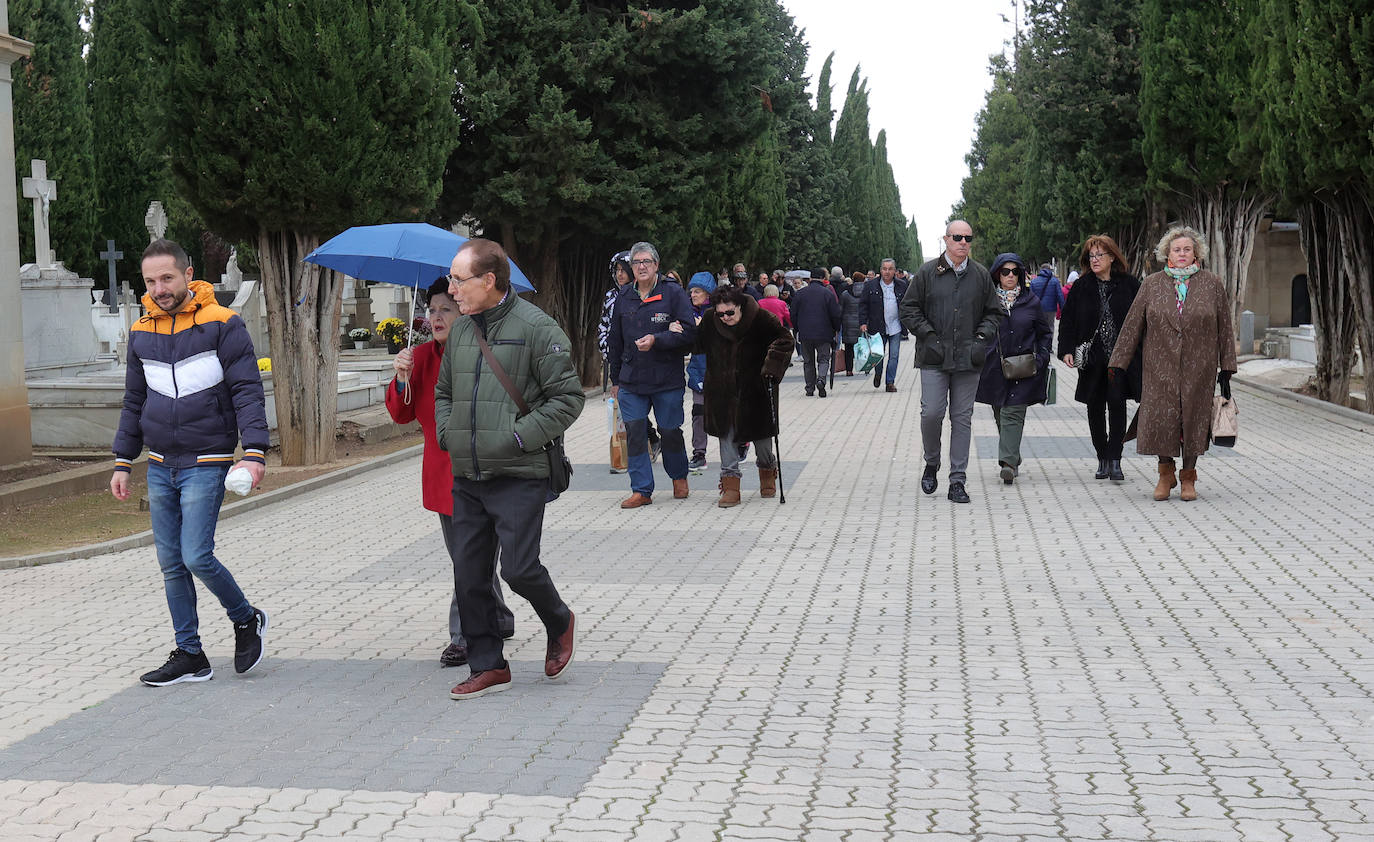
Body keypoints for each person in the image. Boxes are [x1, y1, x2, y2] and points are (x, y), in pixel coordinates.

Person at [111, 238, 269, 686]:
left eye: (167, 277)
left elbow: (247, 391)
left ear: (188, 274)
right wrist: (124, 460)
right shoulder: (141, 330)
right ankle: (190, 654)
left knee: (196, 555)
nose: (159, 288)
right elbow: (134, 399)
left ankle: (245, 618)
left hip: (208, 459)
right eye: (150, 281)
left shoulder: (223, 323)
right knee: (171, 563)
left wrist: (254, 453)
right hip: (160, 463)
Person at [434, 238, 584, 700]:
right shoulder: (461, 332)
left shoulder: (538, 328)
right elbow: (444, 394)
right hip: (469, 475)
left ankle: (558, 619)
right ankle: (488, 664)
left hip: (520, 472)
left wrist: (518, 437)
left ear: (489, 281)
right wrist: (449, 434)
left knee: (519, 570)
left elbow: (568, 398)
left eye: (459, 281)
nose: (452, 289)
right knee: (470, 573)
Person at [388, 277, 515, 667]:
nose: (437, 317)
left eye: (447, 308)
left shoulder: (485, 353)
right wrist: (401, 376)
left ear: (465, 311)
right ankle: (499, 615)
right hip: (444, 477)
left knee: (469, 558)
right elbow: (401, 414)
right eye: (432, 310)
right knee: (467, 556)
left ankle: (463, 637)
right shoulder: (422, 356)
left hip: (486, 470)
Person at [1108, 225, 1236, 502]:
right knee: (1162, 419)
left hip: (1199, 366)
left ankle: (1189, 476)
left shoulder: (1211, 283)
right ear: (1167, 253)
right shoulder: (1152, 284)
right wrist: (1118, 363)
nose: (1182, 253)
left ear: (1196, 253)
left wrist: (1227, 366)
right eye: (1176, 249)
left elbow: (1224, 326)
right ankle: (1165, 474)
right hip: (1159, 366)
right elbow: (1132, 325)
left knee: (1194, 420)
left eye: (1187, 249)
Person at [900, 220, 1001, 504]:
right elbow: (908, 308)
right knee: (931, 413)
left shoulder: (980, 275)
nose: (963, 242)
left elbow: (994, 313)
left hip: (968, 359)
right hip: (934, 356)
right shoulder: (927, 272)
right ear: (946, 239)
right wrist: (926, 334)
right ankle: (931, 462)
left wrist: (981, 339)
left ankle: (958, 480)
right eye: (957, 237)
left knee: (962, 418)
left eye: (968, 238)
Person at [676, 285, 794, 507]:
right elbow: (696, 344)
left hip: (756, 389)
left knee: (762, 441)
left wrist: (772, 366)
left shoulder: (760, 318)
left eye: (730, 312)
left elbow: (785, 340)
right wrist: (681, 330)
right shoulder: (711, 319)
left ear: (739, 306)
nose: (725, 317)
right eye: (721, 313)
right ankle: (730, 486)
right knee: (726, 435)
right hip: (722, 390)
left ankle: (768, 472)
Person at [608, 242, 697, 508]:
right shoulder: (624, 296)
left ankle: (679, 476)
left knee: (669, 430)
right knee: (635, 433)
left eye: (647, 261)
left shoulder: (673, 293)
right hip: (631, 379)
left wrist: (658, 340)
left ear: (656, 265)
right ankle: (641, 490)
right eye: (637, 263)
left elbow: (689, 335)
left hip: (666, 378)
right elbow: (615, 340)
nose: (642, 266)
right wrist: (615, 380)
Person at [1058, 235, 1142, 482]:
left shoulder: (1129, 285)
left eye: (1099, 255)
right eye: (1091, 256)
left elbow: (1142, 319)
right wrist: (1066, 350)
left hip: (1120, 359)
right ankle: (1102, 457)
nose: (1094, 260)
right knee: (1095, 407)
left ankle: (1115, 458)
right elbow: (1068, 321)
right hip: (1092, 359)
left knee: (1117, 403)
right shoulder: (1082, 287)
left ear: (1112, 257)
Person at [975, 254, 1053, 484]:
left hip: (1024, 369)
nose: (1010, 276)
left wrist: (1041, 358)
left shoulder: (1031, 302)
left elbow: (1044, 333)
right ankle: (1013, 455)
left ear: (1021, 274)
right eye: (1005, 271)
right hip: (993, 369)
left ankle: (1007, 464)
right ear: (997, 274)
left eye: (1015, 272)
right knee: (1000, 413)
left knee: (1013, 413)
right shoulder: (986, 303)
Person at [599, 251, 659, 464]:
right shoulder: (611, 297)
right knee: (628, 410)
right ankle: (643, 447)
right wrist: (608, 349)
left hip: (645, 361)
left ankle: (651, 440)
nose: (620, 274)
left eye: (623, 270)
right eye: (617, 271)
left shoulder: (643, 294)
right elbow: (605, 327)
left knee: (642, 408)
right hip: (620, 362)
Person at [789, 266, 841, 397]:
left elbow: (793, 315)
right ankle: (821, 379)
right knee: (824, 359)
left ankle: (809, 388)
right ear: (823, 279)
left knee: (808, 361)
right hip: (824, 333)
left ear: (810, 278)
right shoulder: (828, 294)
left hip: (805, 333)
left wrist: (797, 329)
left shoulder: (800, 294)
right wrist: (836, 329)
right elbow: (835, 314)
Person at [860, 258, 910, 392]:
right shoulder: (871, 285)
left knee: (894, 355)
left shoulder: (902, 285)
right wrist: (863, 322)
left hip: (895, 326)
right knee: (878, 355)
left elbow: (908, 304)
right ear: (880, 270)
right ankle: (878, 373)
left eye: (890, 269)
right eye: (884, 269)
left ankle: (890, 382)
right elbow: (863, 305)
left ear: (894, 271)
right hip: (877, 326)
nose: (887, 272)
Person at [686, 272, 716, 471]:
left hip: (719, 369)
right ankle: (699, 453)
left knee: (725, 412)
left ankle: (739, 442)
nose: (693, 295)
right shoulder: (688, 313)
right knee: (698, 412)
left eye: (697, 291)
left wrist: (704, 326)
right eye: (691, 291)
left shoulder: (720, 313)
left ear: (708, 293)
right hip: (698, 369)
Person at [839, 275, 866, 376]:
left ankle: (849, 370)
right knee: (863, 346)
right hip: (862, 323)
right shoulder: (866, 293)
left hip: (848, 323)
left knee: (849, 348)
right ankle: (864, 367)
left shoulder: (845, 294)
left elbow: (840, 310)